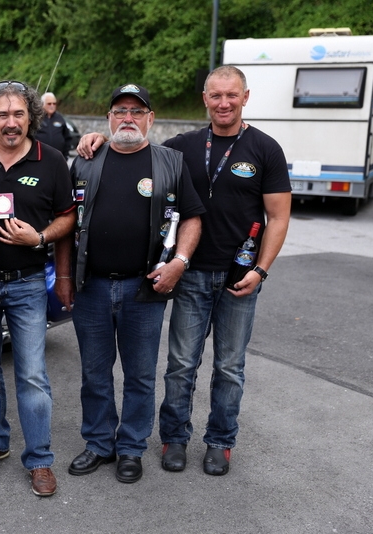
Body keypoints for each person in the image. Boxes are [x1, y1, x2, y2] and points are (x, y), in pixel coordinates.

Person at [77, 66, 291, 476]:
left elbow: (279, 218)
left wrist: (261, 270)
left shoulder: (266, 149)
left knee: (229, 368)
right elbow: (133, 143)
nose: (224, 103)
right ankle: (174, 438)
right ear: (205, 99)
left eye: (232, 95)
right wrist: (98, 138)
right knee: (179, 366)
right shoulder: (181, 147)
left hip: (239, 276)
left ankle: (220, 442)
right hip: (189, 276)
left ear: (245, 97)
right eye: (216, 95)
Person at [55, 84, 204, 484]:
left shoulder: (171, 162)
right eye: (120, 110)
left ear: (150, 119)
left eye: (137, 111)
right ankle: (99, 444)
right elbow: (67, 225)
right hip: (92, 287)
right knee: (94, 374)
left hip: (145, 289)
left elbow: (191, 217)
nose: (128, 118)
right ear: (108, 118)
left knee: (140, 376)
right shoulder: (85, 161)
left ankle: (132, 448)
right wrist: (64, 277)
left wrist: (179, 263)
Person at [0, 80, 75, 497]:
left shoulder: (50, 159)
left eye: (18, 113)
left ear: (31, 117)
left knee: (32, 374)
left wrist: (38, 238)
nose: (10, 122)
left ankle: (39, 459)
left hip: (27, 283)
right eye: (2, 114)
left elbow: (67, 217)